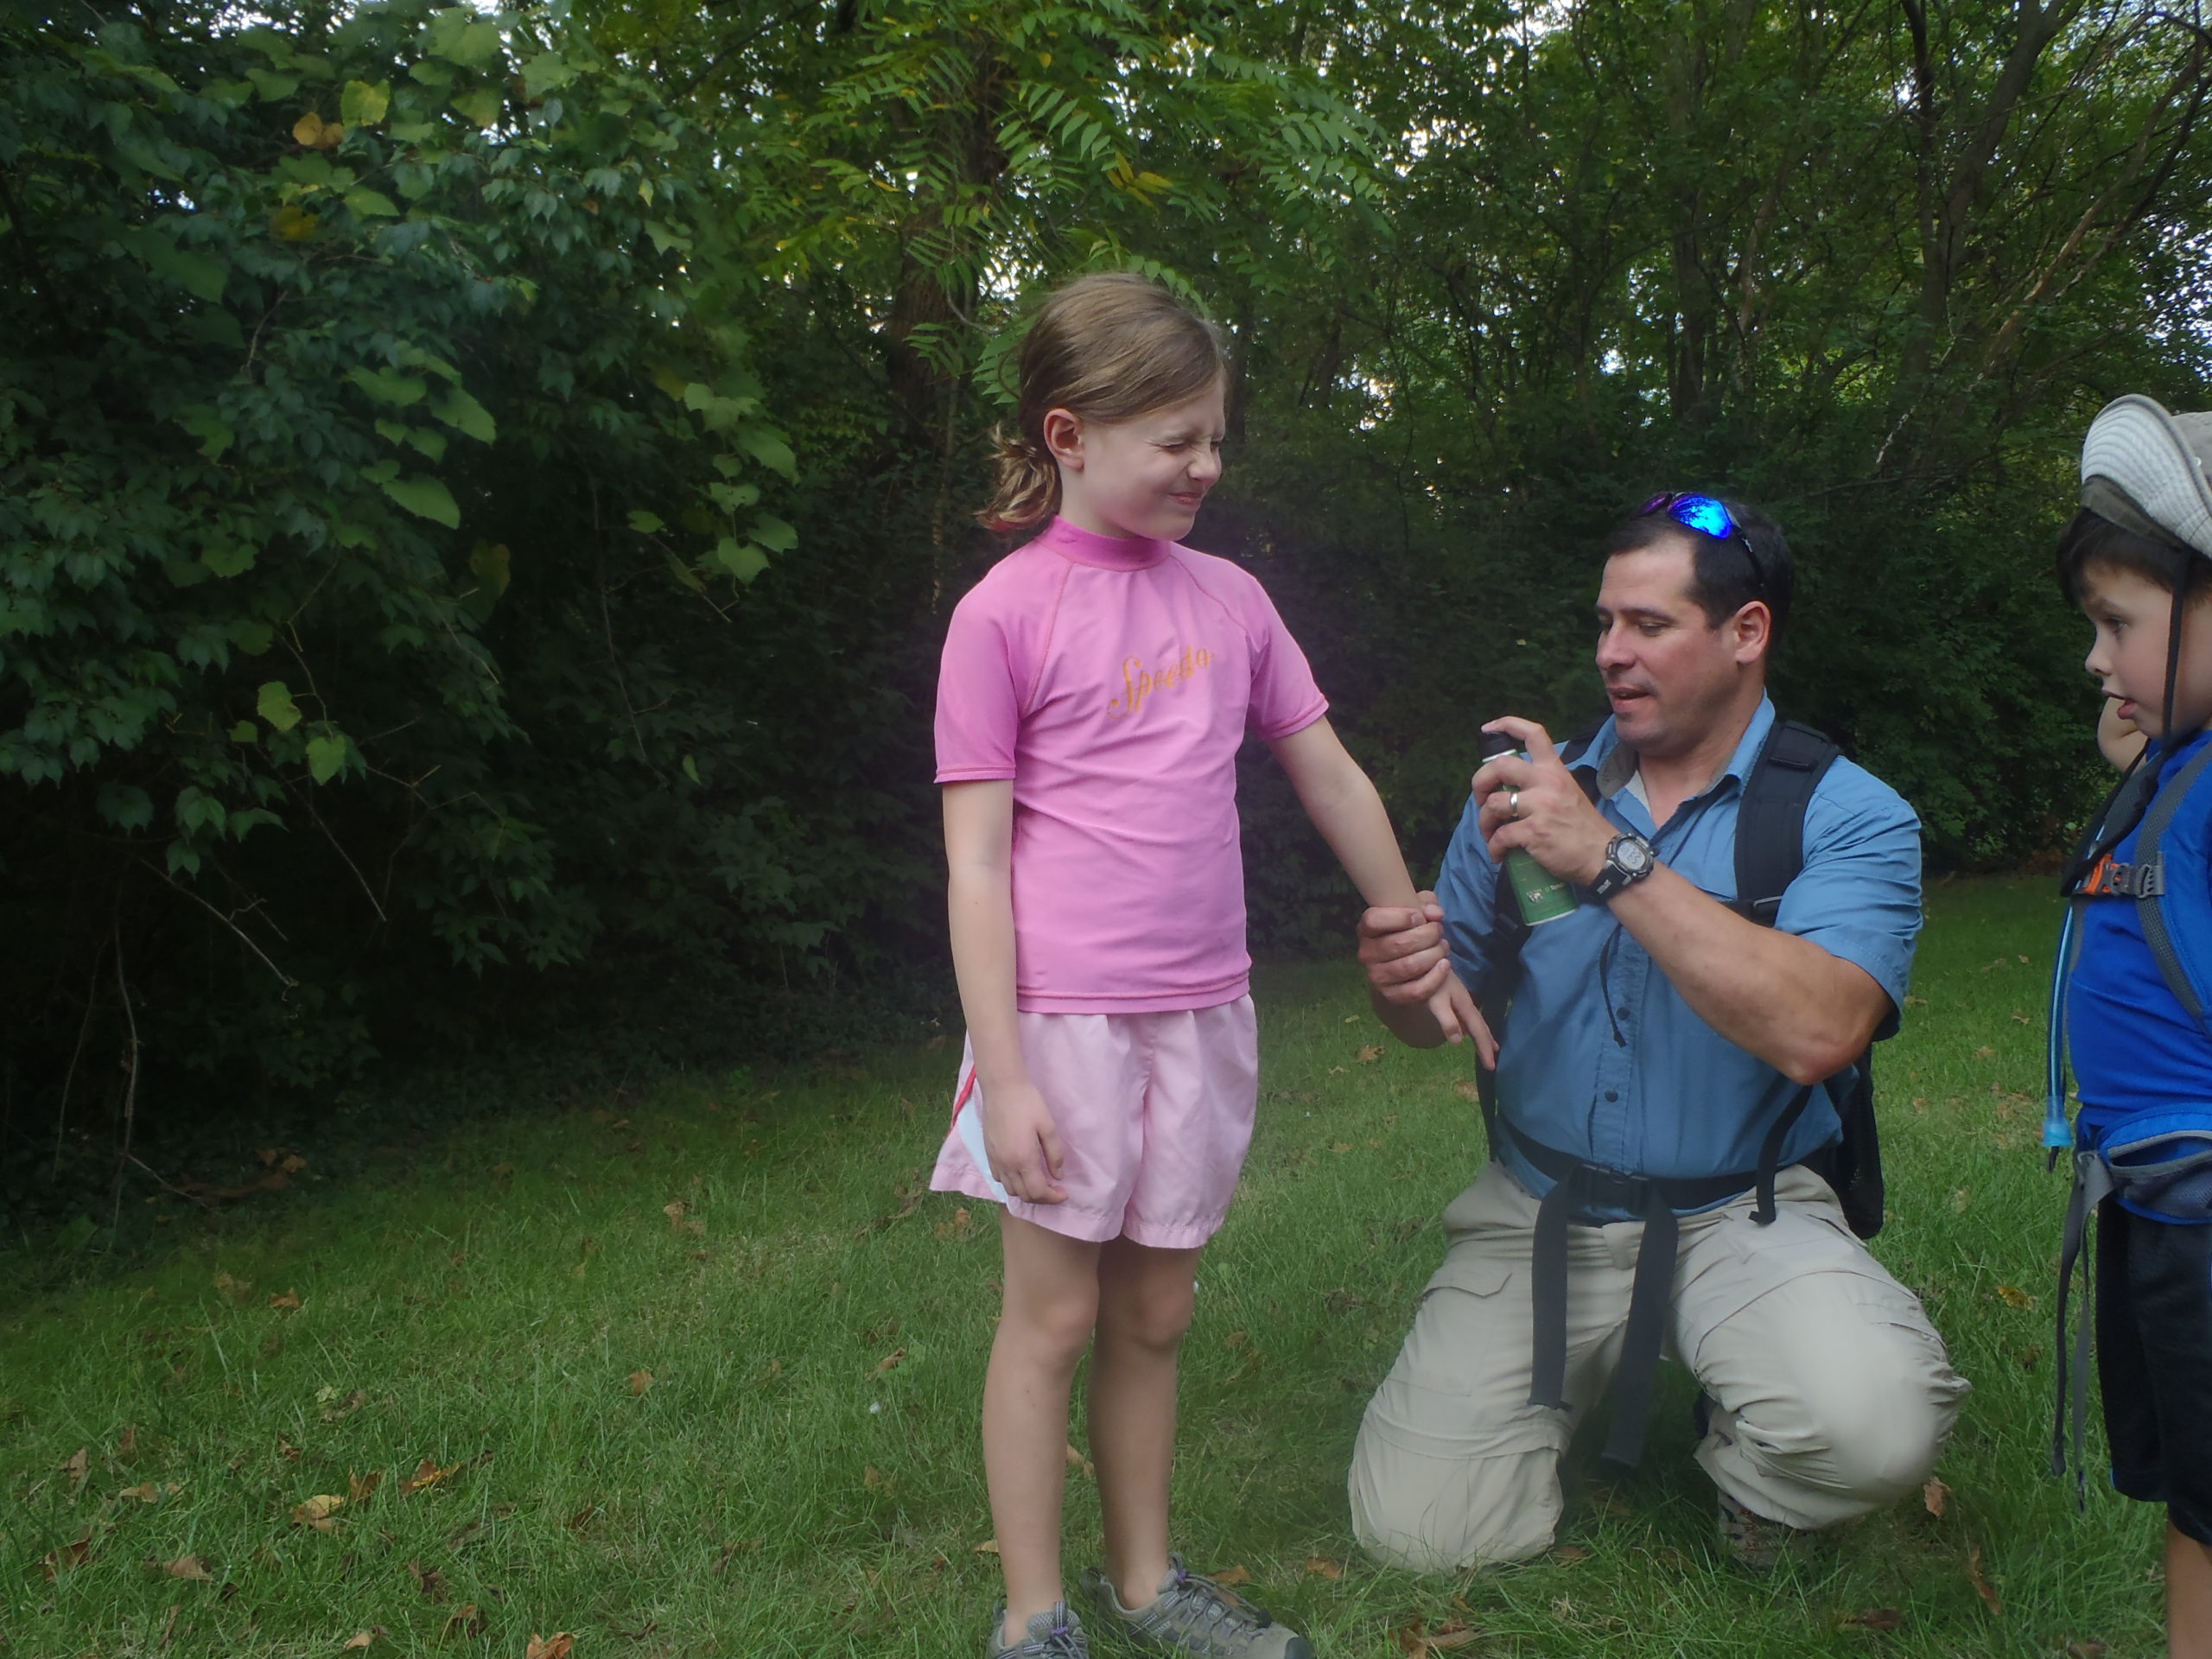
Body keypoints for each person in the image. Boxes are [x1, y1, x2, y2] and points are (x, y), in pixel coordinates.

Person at [930, 272, 1490, 1659]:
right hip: (1058, 1023)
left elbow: (1330, 774)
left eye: (1215, 436)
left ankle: (1146, 1582)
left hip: (1202, 1012)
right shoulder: (1002, 614)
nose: (1207, 466)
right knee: (1052, 1319)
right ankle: (1035, 1615)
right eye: (1175, 439)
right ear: (1069, 435)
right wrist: (1001, 1078)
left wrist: (1408, 917)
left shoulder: (1233, 601)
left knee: (1160, 1310)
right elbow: (977, 867)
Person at [1348, 493, 1967, 1573]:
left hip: (1746, 1208)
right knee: (1416, 1534)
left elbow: (1821, 1029)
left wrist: (1614, 862)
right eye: (1602, 624)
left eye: (1648, 625)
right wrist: (1401, 984)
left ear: (1746, 633)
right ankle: (1543, 1407)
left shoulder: (1845, 813)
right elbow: (1431, 1013)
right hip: (1538, 1209)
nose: (1611, 655)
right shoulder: (1525, 802)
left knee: (1875, 1425)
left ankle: (1759, 1477)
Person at [2047, 395, 2212, 1659]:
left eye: (2120, 625)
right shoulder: (2176, 761)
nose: (2097, 658)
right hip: (2156, 1215)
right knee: (2196, 1505)